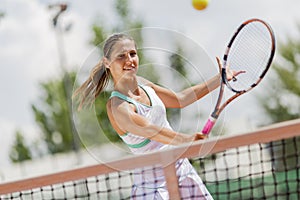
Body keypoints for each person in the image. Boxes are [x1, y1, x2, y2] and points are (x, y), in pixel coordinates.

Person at [73, 33, 243, 199]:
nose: (129, 60)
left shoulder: (144, 84)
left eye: (133, 54)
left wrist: (219, 79)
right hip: (153, 189)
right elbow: (151, 130)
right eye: (121, 56)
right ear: (107, 63)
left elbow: (180, 99)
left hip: (183, 172)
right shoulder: (117, 106)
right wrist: (185, 140)